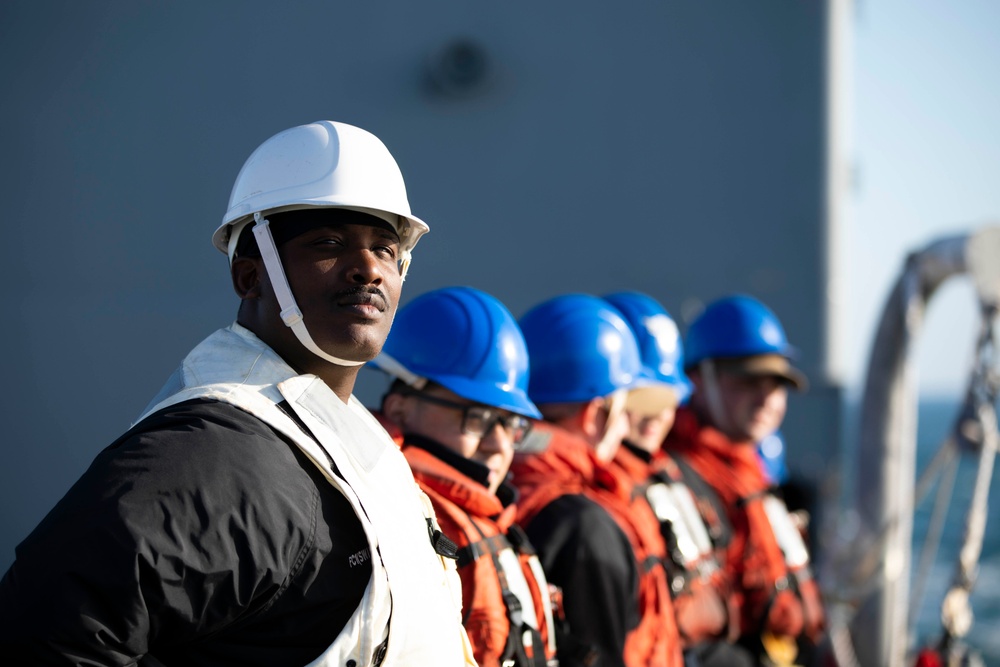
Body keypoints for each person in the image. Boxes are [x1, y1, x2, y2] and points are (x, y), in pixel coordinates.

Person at [0, 120, 476, 666]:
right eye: (329, 243)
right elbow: (46, 629)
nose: (369, 268)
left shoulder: (349, 440)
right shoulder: (215, 451)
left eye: (386, 249)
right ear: (250, 278)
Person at [369, 285, 559, 667]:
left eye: (511, 424)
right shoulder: (393, 517)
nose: (500, 445)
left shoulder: (491, 516)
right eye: (478, 419)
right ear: (400, 408)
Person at [509, 294, 682, 667]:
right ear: (594, 414)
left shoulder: (502, 484)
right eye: (622, 410)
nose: (624, 426)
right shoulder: (585, 526)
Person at [662, 294, 826, 666]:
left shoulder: (753, 473)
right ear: (698, 379)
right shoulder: (675, 478)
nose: (766, 398)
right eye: (747, 381)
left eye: (776, 384)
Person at [603, 291, 753, 667]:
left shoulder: (679, 477)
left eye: (666, 400)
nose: (655, 416)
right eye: (642, 398)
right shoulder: (593, 503)